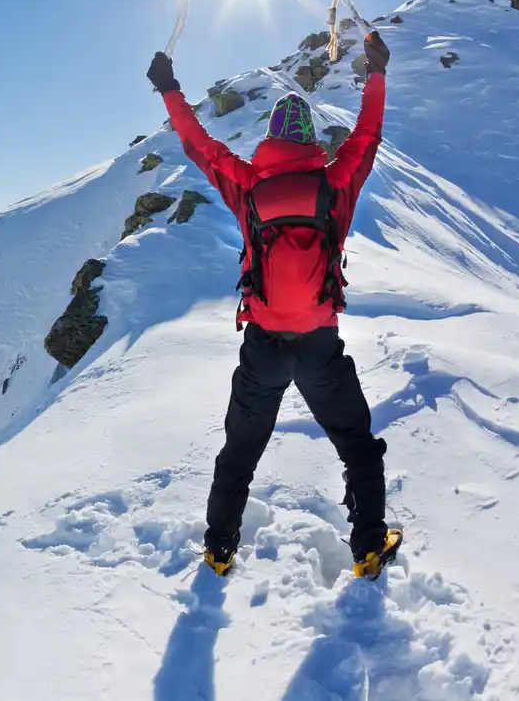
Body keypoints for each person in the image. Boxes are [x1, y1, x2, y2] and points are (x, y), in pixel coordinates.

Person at [145, 32, 402, 580]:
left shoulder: (247, 185)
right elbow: (368, 134)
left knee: (240, 450)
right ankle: (370, 546)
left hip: (261, 345)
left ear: (270, 137)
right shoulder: (336, 182)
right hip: (319, 347)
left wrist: (169, 89)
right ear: (311, 138)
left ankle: (219, 549)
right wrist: (376, 75)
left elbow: (197, 145)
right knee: (357, 446)